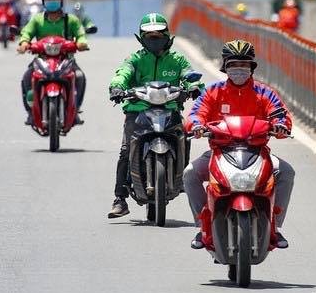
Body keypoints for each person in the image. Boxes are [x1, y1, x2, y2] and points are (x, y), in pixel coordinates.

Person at [183, 39, 294, 249]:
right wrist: (196, 125)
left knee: (286, 172)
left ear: (252, 67)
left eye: (244, 65)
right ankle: (203, 226)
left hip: (258, 153)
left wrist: (281, 125)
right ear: (225, 66)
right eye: (234, 65)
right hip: (219, 152)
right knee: (190, 174)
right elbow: (196, 113)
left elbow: (280, 114)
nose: (239, 70)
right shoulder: (212, 92)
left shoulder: (265, 93)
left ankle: (274, 226)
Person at [107, 13, 199, 219]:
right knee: (124, 151)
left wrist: (193, 86)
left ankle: (182, 178)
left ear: (167, 36)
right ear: (141, 38)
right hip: (138, 111)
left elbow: (189, 74)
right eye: (149, 36)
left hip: (170, 110)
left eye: (158, 35)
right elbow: (122, 73)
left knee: (186, 134)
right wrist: (117, 87)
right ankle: (120, 198)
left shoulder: (177, 59)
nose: (154, 39)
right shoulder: (135, 59)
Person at [17, 0, 89, 125]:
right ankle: (31, 113)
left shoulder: (71, 20)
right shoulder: (37, 19)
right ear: (44, 1)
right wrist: (24, 42)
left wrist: (81, 42)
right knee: (26, 78)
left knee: (80, 77)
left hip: (66, 60)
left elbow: (80, 34)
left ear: (61, 0)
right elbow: (26, 32)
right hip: (41, 60)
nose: (52, 1)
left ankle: (76, 110)